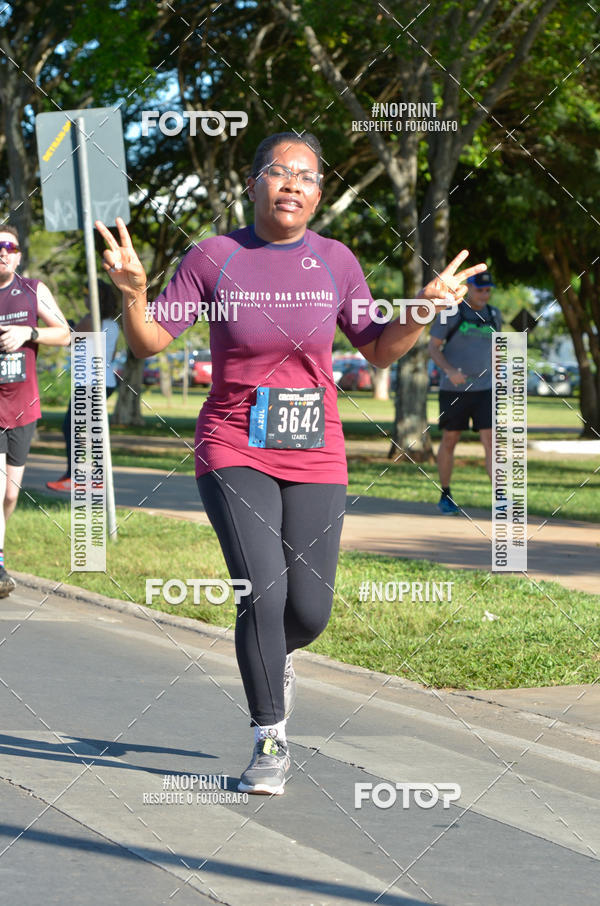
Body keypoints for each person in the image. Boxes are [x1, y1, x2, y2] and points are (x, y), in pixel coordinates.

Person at [97, 132, 486, 795]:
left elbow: (381, 350)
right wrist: (133, 293)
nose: (293, 185)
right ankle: (269, 739)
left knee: (308, 612)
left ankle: (273, 659)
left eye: (307, 177)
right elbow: (149, 341)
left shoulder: (336, 261)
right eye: (279, 172)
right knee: (264, 594)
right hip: (233, 445)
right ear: (253, 184)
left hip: (316, 449)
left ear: (319, 194)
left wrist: (424, 306)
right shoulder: (214, 257)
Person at [0, 225, 71, 596]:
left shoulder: (32, 291)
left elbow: (66, 332)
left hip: (22, 407)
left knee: (11, 495)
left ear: (18, 254)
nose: (3, 251)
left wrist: (29, 333)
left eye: (9, 245)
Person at [428, 270, 502, 515]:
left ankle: (500, 497)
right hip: (455, 390)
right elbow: (433, 348)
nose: (485, 294)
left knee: (490, 441)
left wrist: (500, 373)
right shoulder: (451, 312)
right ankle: (446, 493)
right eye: (480, 290)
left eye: (488, 290)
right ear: (469, 288)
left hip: (485, 389)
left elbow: (496, 349)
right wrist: (449, 370)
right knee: (450, 440)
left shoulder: (494, 314)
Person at [46, 280, 120, 493]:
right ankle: (97, 477)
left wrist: (66, 325)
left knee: (71, 428)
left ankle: (74, 476)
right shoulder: (112, 324)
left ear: (97, 298)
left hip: (89, 383)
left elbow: (68, 340)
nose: (85, 298)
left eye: (87, 294)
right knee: (92, 430)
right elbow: (112, 355)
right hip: (104, 382)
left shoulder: (90, 320)